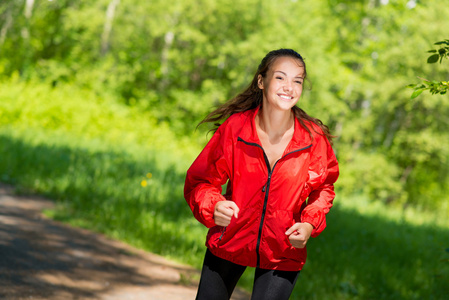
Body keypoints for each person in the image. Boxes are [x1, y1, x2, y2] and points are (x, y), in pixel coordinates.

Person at [184, 48, 339, 300]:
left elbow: (324, 187)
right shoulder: (236, 128)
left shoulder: (312, 138)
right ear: (261, 81)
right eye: (280, 77)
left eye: (297, 81)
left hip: (283, 249)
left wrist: (310, 223)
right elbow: (200, 181)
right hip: (230, 239)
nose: (289, 87)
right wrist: (213, 206)